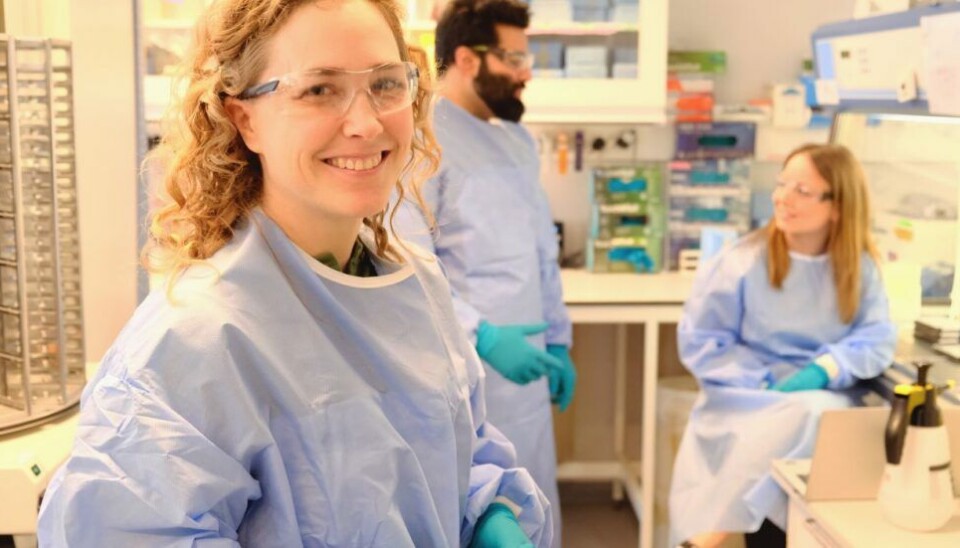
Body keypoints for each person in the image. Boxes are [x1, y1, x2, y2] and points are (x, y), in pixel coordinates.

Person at [36, 0, 554, 546]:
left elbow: (454, 451)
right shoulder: (195, 340)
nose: (366, 121)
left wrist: (490, 509)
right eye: (318, 89)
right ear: (245, 118)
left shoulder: (415, 283)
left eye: (385, 83)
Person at [392, 0, 575, 542]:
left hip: (528, 364)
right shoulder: (420, 141)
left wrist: (560, 338)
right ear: (469, 59)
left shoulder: (517, 140)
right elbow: (407, 261)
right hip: (462, 363)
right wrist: (483, 334)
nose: (527, 73)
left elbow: (541, 250)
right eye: (514, 59)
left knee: (534, 496)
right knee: (479, 505)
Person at [668, 143, 897, 548]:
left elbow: (877, 336)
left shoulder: (858, 268)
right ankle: (715, 534)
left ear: (838, 206)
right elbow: (704, 341)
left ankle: (710, 535)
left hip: (821, 395)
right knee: (801, 416)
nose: (782, 198)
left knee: (813, 412)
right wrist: (763, 382)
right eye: (781, 184)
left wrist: (824, 369)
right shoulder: (742, 260)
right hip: (744, 397)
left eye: (802, 191)